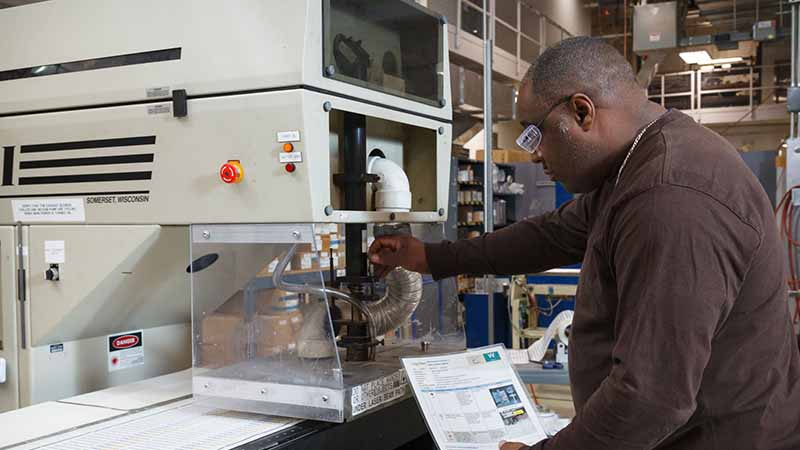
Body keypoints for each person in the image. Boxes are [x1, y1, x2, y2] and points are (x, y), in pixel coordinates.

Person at [368, 37, 800, 450]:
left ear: (582, 112)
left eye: (534, 134)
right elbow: (550, 235)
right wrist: (428, 256)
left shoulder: (670, 195)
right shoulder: (632, 169)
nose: (534, 154)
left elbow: (649, 397)